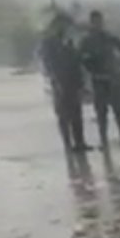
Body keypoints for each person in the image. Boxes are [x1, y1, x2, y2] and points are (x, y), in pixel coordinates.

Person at [79, 10, 120, 148]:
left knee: (118, 110)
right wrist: (90, 70)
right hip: (98, 79)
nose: (98, 24)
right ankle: (104, 140)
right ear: (92, 23)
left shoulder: (110, 37)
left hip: (113, 78)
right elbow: (81, 59)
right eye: (95, 22)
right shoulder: (87, 41)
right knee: (101, 112)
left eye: (100, 21)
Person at [40, 13, 88, 152]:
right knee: (63, 115)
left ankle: (80, 142)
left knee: (76, 113)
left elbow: (76, 61)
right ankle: (68, 143)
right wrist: (53, 79)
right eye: (61, 25)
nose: (64, 28)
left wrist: (81, 82)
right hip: (58, 81)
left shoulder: (69, 41)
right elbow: (47, 63)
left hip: (72, 81)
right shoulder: (48, 43)